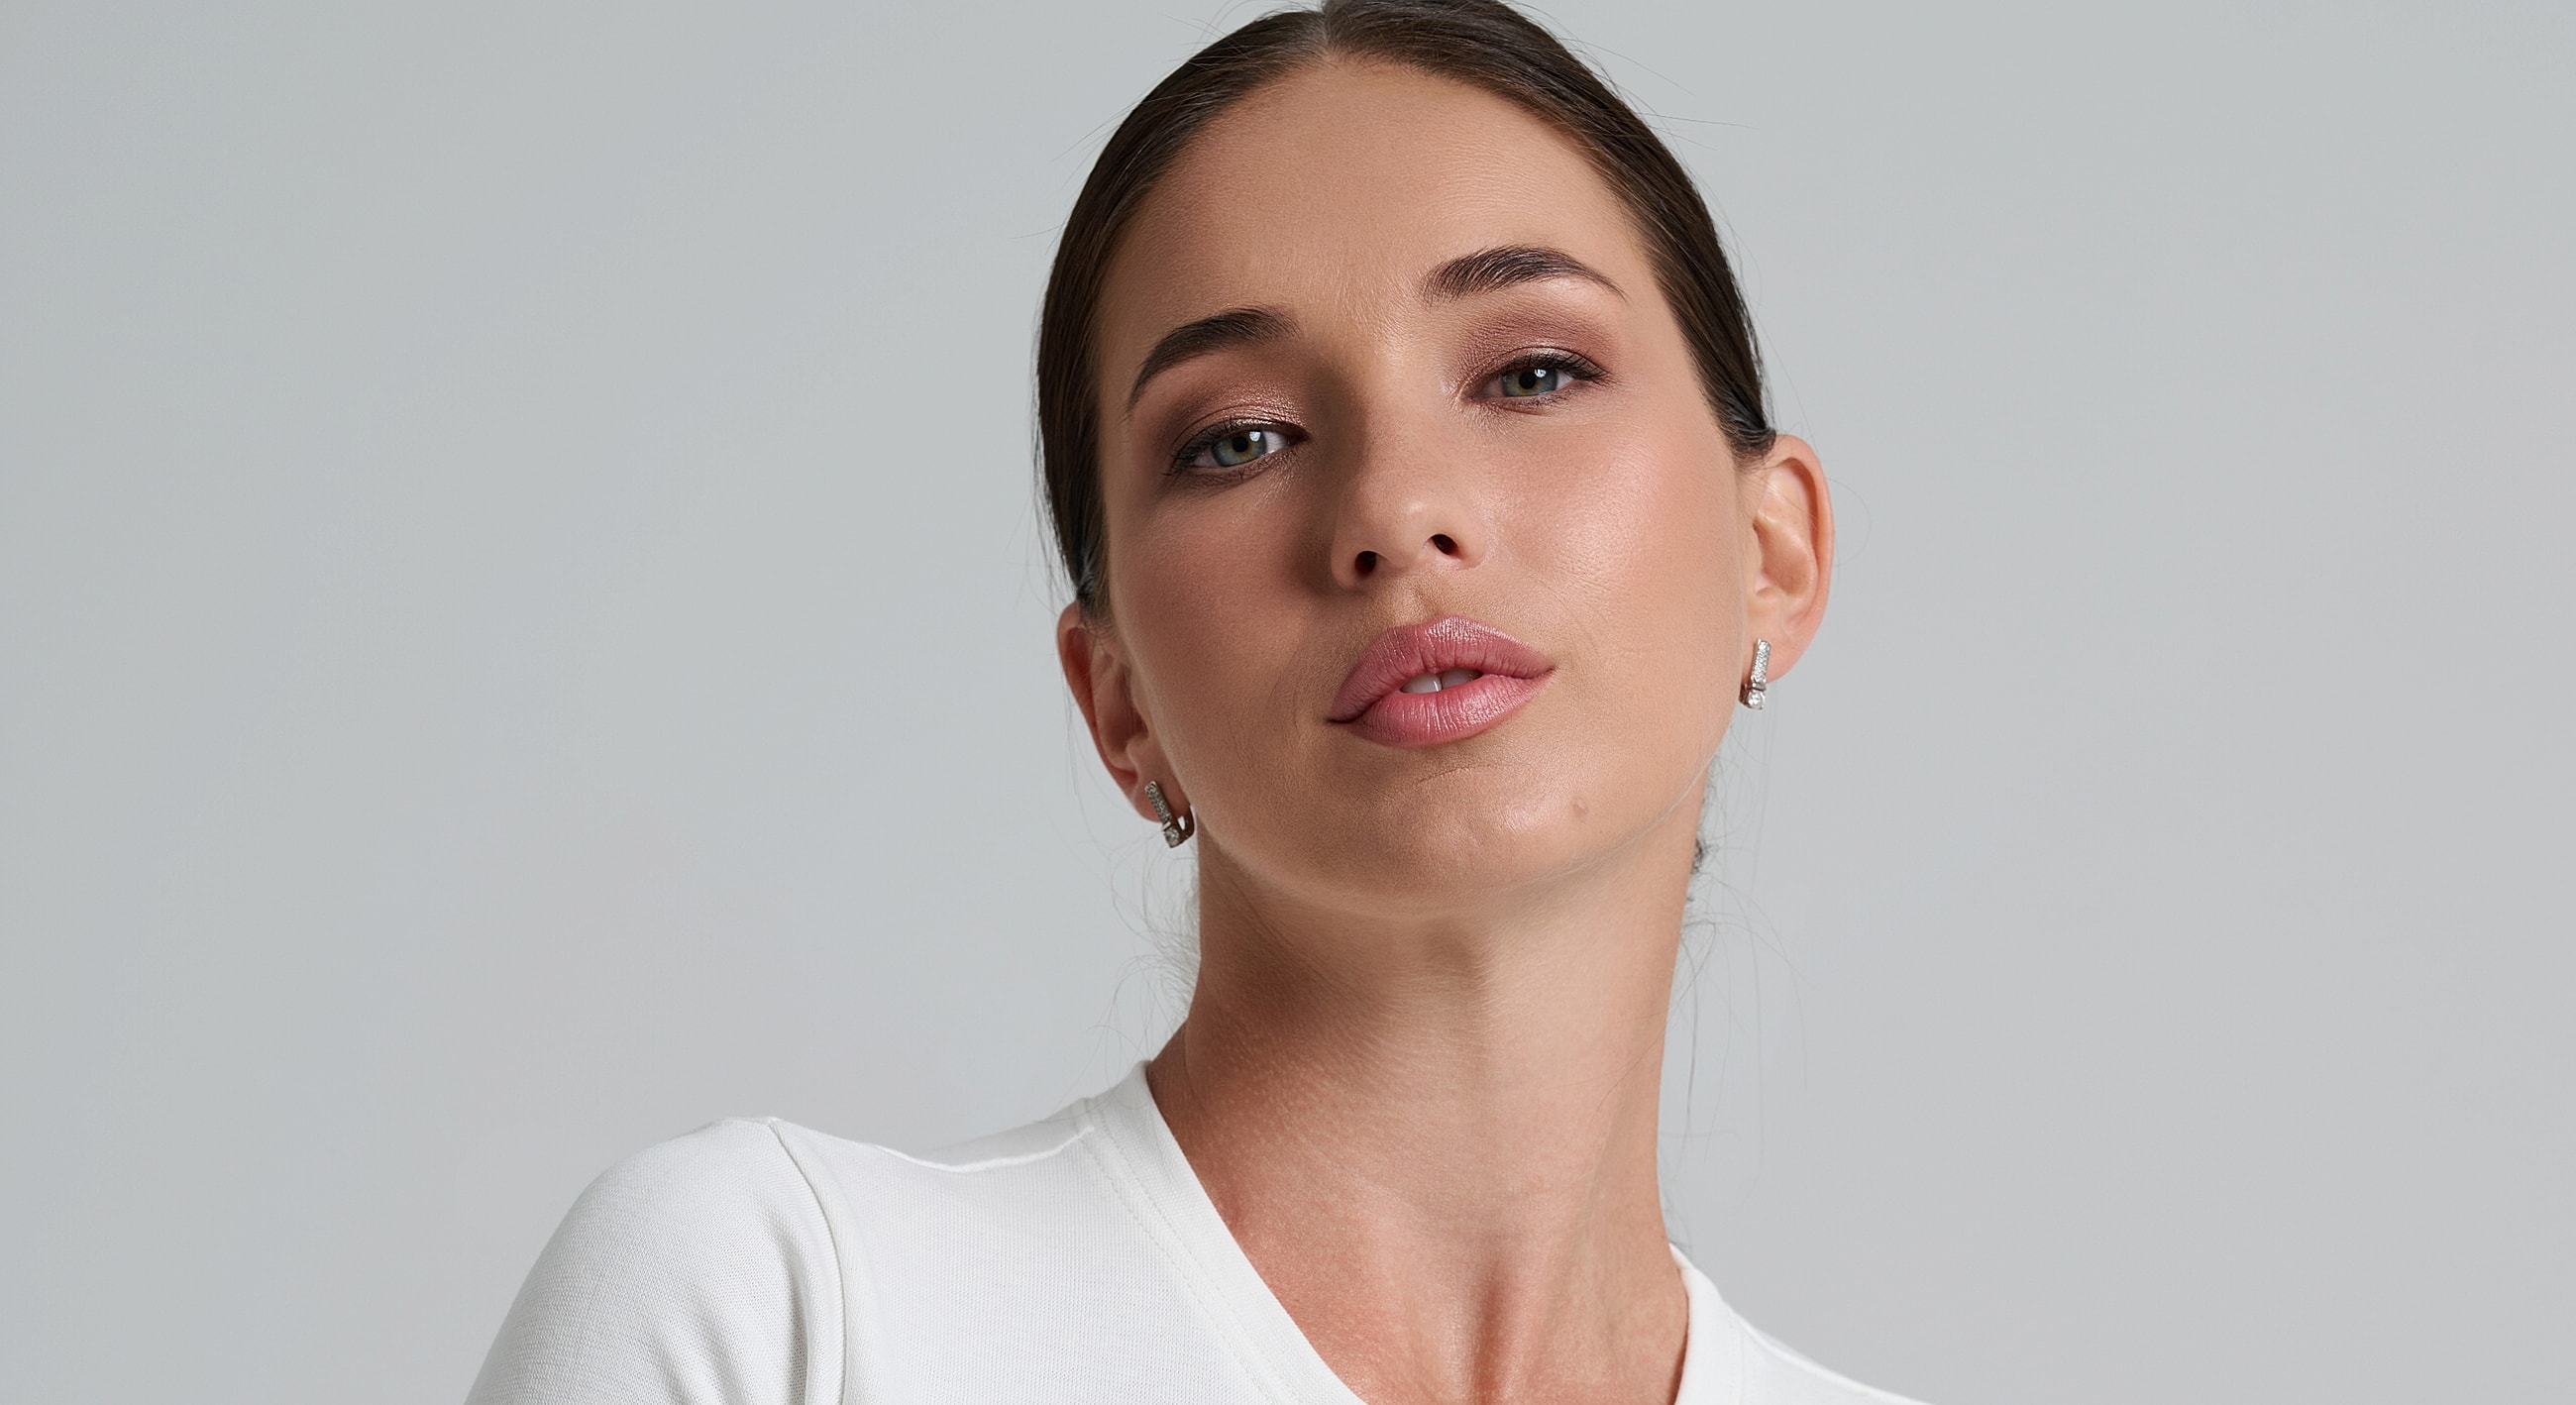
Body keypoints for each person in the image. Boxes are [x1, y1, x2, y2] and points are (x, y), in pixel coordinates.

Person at [467, 2, 1923, 1401]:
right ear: (1118, 702)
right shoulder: (790, 1307)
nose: (1395, 510)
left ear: (1772, 552)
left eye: (1532, 371)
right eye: (1239, 441)